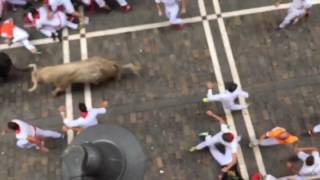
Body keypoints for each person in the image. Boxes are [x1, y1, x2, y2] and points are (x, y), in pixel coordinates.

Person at [189, 110, 242, 180]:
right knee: (211, 147)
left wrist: (226, 169)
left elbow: (234, 161)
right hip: (218, 141)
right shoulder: (225, 130)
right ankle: (199, 145)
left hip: (228, 158)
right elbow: (221, 120)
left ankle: (206, 138)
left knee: (212, 148)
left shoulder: (233, 144)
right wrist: (212, 114)